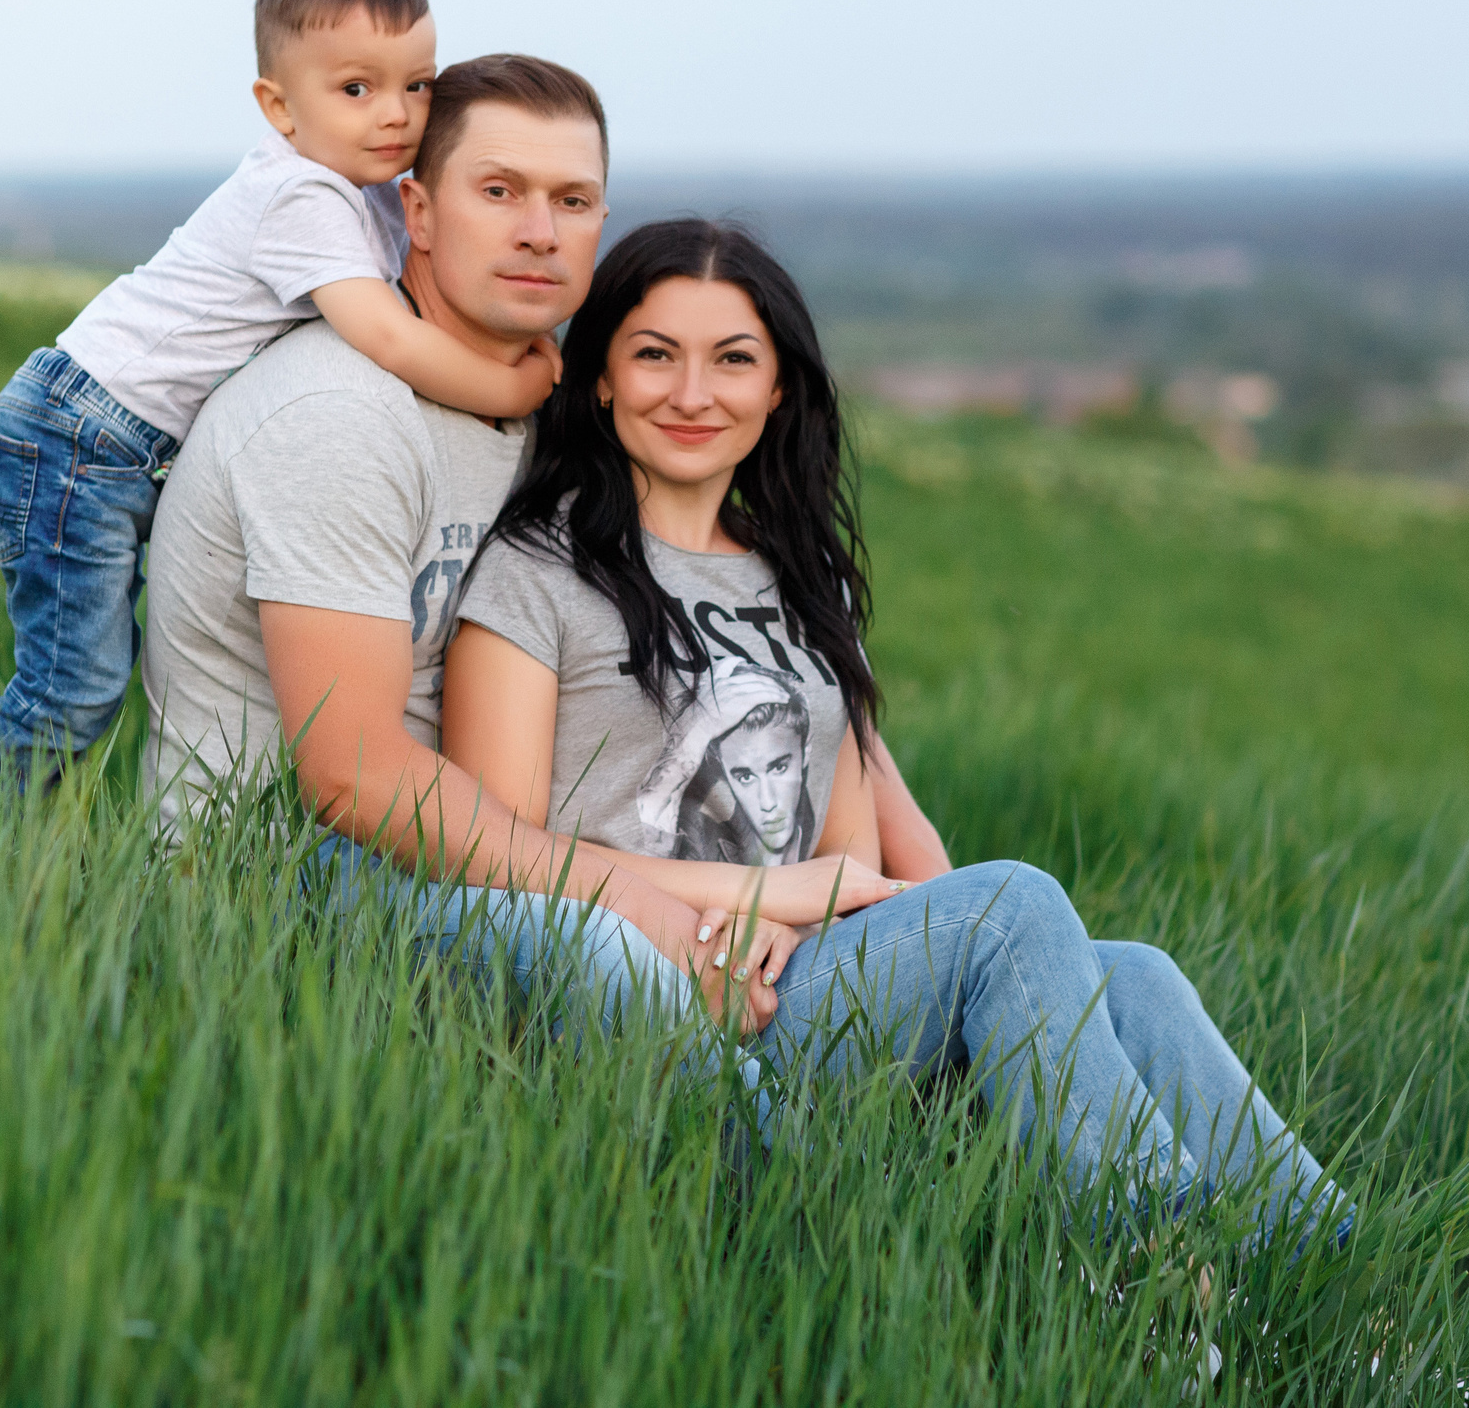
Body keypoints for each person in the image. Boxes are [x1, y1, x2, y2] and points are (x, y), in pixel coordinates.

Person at [442, 218, 1348, 1234]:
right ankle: (1151, 1269)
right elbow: (492, 851)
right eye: (654, 355)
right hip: (654, 991)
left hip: (792, 980)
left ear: (777, 387)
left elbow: (846, 855)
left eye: (732, 360)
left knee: (1133, 974)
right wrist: (754, 897)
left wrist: (795, 912)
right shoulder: (536, 573)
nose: (692, 394)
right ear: (599, 378)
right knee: (1009, 904)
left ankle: (1329, 1286)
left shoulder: (802, 575)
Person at [138, 54, 904, 1034]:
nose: (539, 231)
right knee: (611, 954)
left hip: (474, 858)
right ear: (416, 213)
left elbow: (795, 677)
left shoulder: (542, 412)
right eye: (498, 192)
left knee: (1098, 970)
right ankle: (769, 1172)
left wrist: (899, 890)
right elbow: (353, 778)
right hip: (278, 877)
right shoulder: (340, 416)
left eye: (573, 200)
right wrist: (634, 898)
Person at [0, 0, 560, 799]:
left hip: (116, 436)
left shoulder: (360, 192)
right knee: (75, 686)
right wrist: (516, 389)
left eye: (418, 85)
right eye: (356, 89)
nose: (395, 114)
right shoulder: (301, 197)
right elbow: (388, 338)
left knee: (97, 674)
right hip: (80, 433)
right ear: (278, 107)